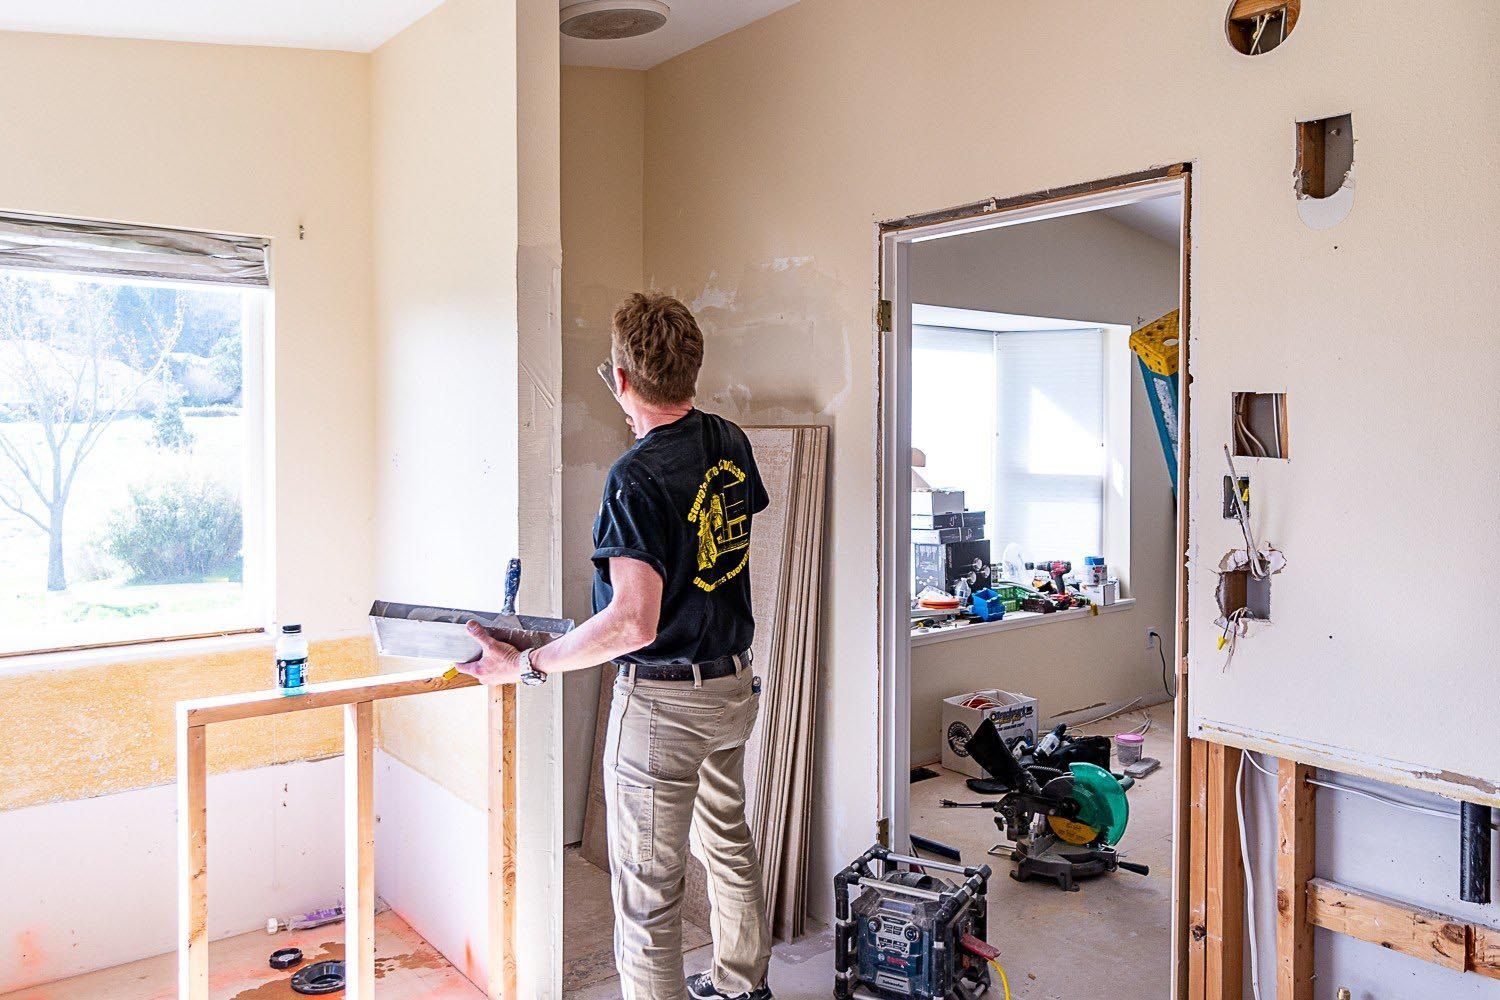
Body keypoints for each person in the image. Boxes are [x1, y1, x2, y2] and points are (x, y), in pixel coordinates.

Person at [459, 292, 774, 1000]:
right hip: (730, 686)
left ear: (623, 379)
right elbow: (709, 548)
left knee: (649, 894)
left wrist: (532, 661)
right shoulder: (728, 440)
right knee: (726, 841)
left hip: (663, 706)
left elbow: (634, 621)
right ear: (691, 371)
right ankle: (743, 984)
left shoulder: (634, 478)